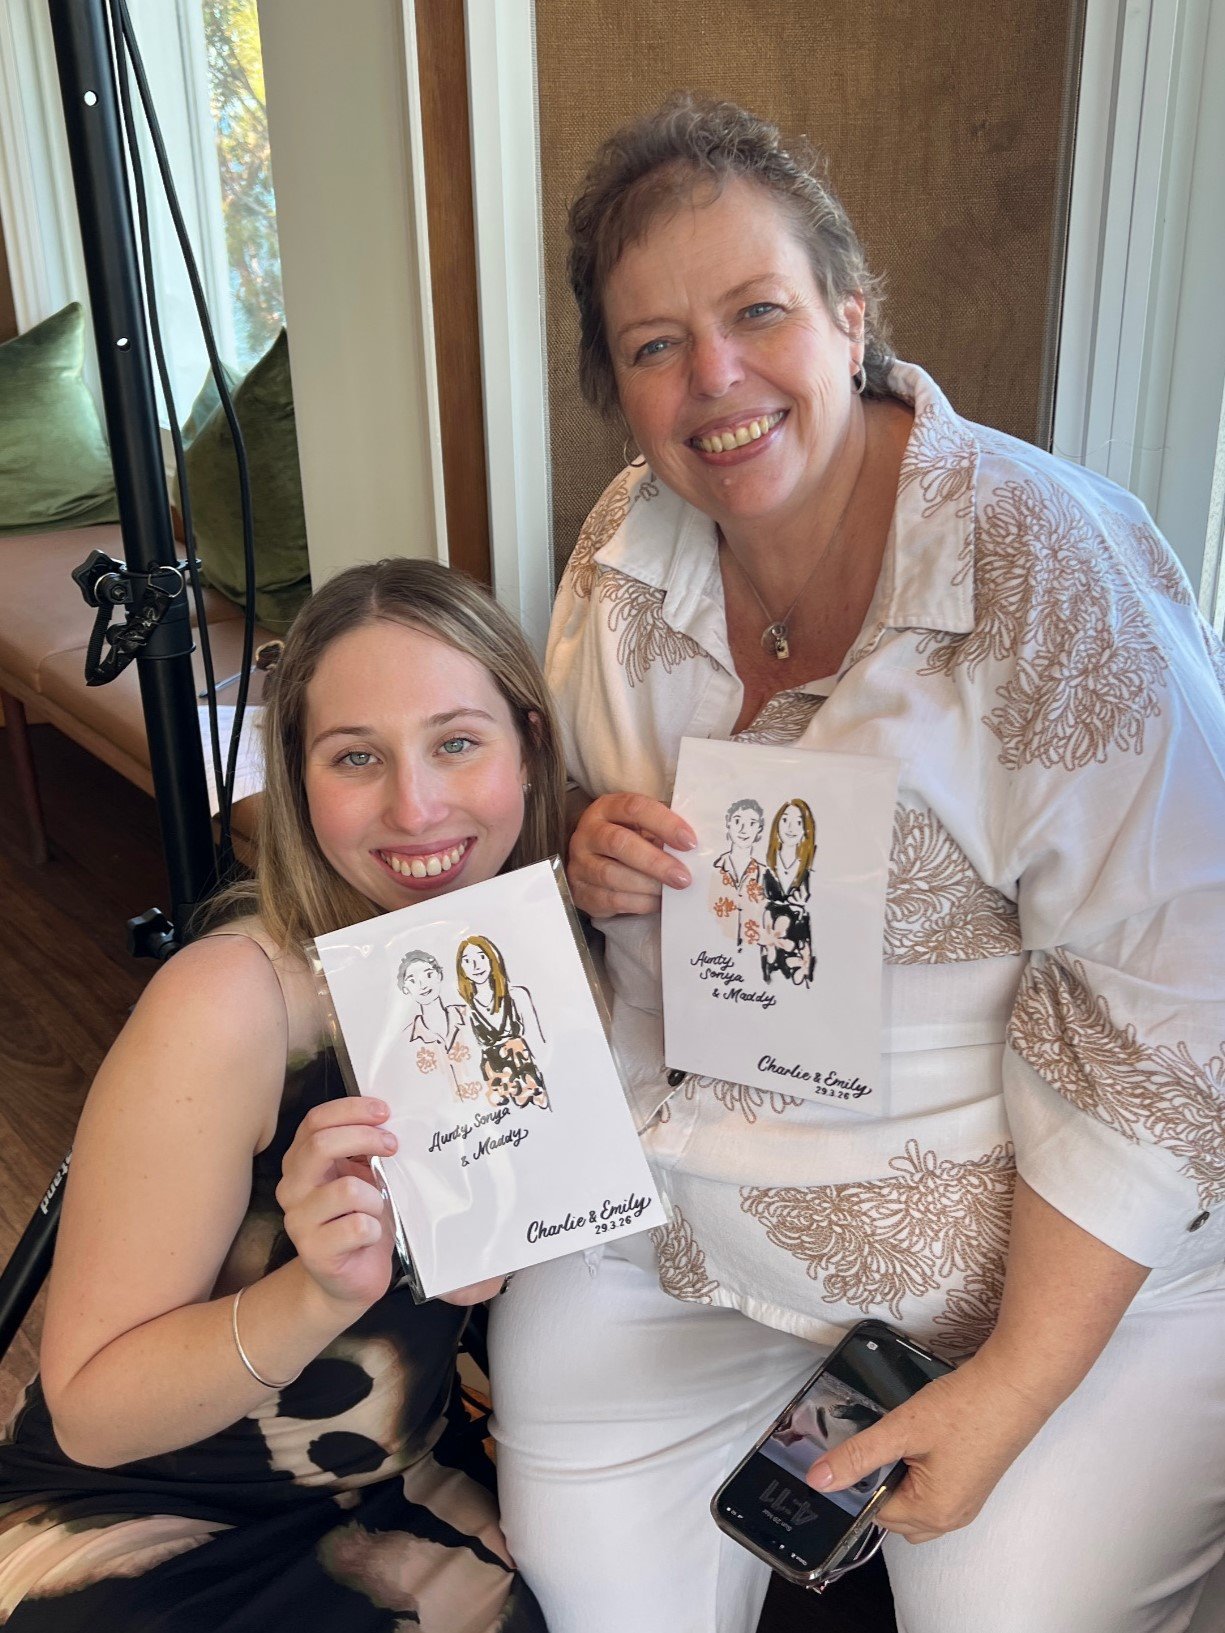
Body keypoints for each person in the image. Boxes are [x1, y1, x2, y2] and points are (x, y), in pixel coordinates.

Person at [488, 95, 1225, 1633]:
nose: (715, 380)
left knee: (1001, 1615)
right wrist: (586, 849)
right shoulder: (628, 551)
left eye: (756, 312)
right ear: (615, 391)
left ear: (849, 313)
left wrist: (1014, 1387)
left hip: (1049, 1282)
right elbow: (573, 818)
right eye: (652, 346)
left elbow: (1186, 999)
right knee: (579, 1558)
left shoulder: (1043, 576)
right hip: (692, 1214)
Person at [0, 559, 562, 1631]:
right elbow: (92, 1415)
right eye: (357, 756)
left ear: (529, 749)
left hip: (384, 1479)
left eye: (456, 741)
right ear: (299, 782)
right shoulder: (233, 1002)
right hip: (142, 1508)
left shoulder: (533, 958)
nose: (416, 805)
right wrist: (319, 1291)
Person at [456, 938, 549, 1112]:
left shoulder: (517, 995)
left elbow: (537, 1039)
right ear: (461, 969)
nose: (476, 965)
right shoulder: (466, 1010)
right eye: (467, 961)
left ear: (493, 959)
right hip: (495, 1078)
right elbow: (472, 1053)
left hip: (525, 1071)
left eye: (481, 956)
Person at [397, 948, 483, 1102]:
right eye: (412, 980)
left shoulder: (469, 1016)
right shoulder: (408, 1037)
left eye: (429, 974)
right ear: (405, 989)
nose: (422, 985)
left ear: (439, 975)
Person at [759, 798, 815, 985]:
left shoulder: (808, 869)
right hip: (770, 933)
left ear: (806, 830)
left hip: (797, 935)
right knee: (769, 980)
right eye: (785, 820)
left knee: (797, 982)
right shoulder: (766, 865)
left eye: (799, 822)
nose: (791, 827)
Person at [709, 797, 766, 950]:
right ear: (728, 823)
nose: (743, 829)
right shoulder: (713, 868)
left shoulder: (765, 874)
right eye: (737, 821)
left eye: (752, 823)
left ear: (759, 828)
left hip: (753, 954)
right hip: (713, 951)